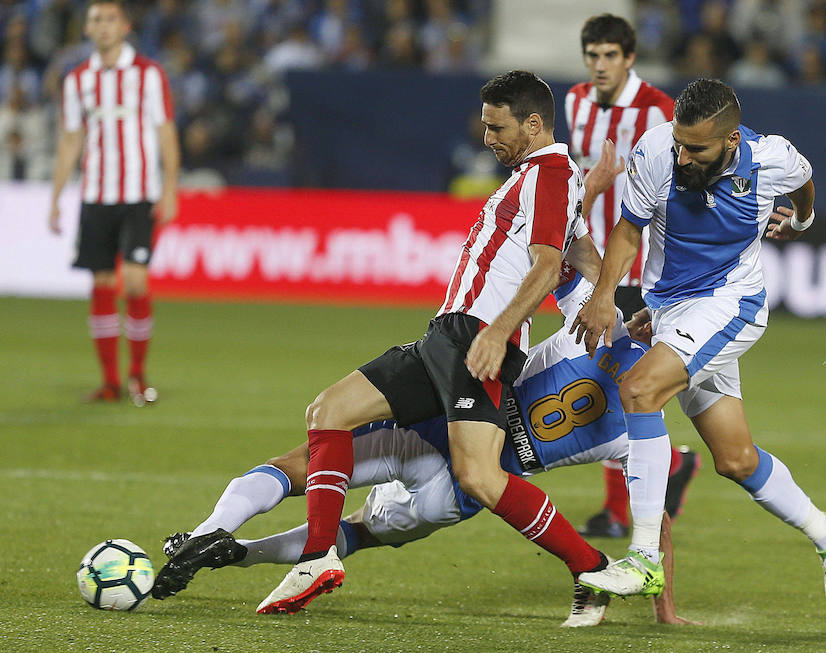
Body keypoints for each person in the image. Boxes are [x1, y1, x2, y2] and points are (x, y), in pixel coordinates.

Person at [157, 70, 614, 617]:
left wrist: (499, 330)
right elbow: (581, 257)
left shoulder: (551, 175)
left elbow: (545, 266)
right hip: (447, 335)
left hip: (476, 336)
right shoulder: (548, 179)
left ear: (533, 124)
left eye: (497, 127)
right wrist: (600, 256)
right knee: (331, 410)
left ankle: (592, 567)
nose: (487, 137)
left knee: (480, 476)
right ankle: (319, 554)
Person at [152, 273, 694, 627]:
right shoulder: (643, 429)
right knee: (359, 532)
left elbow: (566, 265)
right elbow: (657, 519)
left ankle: (212, 537)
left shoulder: (590, 329)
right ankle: (233, 550)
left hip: (439, 429)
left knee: (303, 463)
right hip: (468, 488)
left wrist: (590, 207)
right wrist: (664, 612)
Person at [572, 78, 826, 621]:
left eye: (696, 148)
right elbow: (629, 230)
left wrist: (801, 220)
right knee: (735, 459)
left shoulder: (770, 158)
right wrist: (607, 295)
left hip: (732, 303)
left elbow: (804, 180)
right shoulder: (656, 150)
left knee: (639, 388)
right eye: (680, 142)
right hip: (673, 310)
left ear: (729, 141)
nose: (683, 154)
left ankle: (643, 557)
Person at [565, 13, 699, 539]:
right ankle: (663, 473)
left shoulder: (659, 109)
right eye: (592, 55)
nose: (599, 65)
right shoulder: (574, 100)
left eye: (609, 56)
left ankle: (623, 509)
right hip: (587, 257)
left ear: (629, 58)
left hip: (635, 263)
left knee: (620, 381)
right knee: (605, 376)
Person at [47, 0, 180, 406]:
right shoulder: (77, 80)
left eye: (109, 19)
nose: (102, 26)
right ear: (87, 30)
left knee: (136, 280)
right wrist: (55, 197)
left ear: (123, 26)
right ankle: (110, 382)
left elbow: (164, 131)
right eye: (94, 20)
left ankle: (138, 375)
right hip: (96, 196)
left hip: (139, 194)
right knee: (102, 283)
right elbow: (71, 140)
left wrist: (170, 187)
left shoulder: (149, 75)